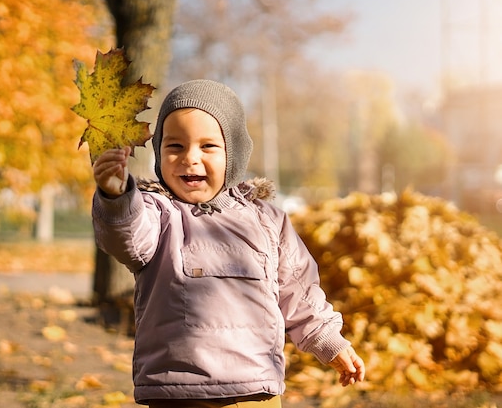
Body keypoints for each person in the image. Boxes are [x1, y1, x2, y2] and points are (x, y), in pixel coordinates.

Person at [91, 79, 365, 407]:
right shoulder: (157, 214)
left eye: (208, 146)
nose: (190, 158)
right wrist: (116, 197)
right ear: (159, 154)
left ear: (232, 154)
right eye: (174, 146)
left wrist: (328, 341)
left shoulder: (267, 220)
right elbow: (126, 238)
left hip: (256, 391)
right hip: (179, 392)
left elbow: (299, 292)